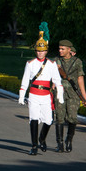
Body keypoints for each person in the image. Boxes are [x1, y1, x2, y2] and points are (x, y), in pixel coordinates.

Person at [19, 23, 64, 155]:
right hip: (33, 94)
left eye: (42, 51)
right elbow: (25, 80)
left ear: (46, 51)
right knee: (33, 118)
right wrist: (22, 95)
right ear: (35, 51)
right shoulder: (30, 64)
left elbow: (57, 80)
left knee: (48, 120)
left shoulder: (51, 65)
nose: (40, 53)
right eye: (38, 51)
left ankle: (42, 138)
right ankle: (34, 146)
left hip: (45, 95)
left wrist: (60, 94)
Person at [54, 40, 86, 152]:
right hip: (60, 92)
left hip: (73, 93)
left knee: (72, 117)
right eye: (59, 48)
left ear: (69, 49)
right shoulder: (56, 61)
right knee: (59, 117)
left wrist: (84, 95)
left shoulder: (77, 62)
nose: (60, 51)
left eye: (63, 49)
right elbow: (52, 76)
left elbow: (80, 78)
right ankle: (60, 143)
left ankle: (69, 140)